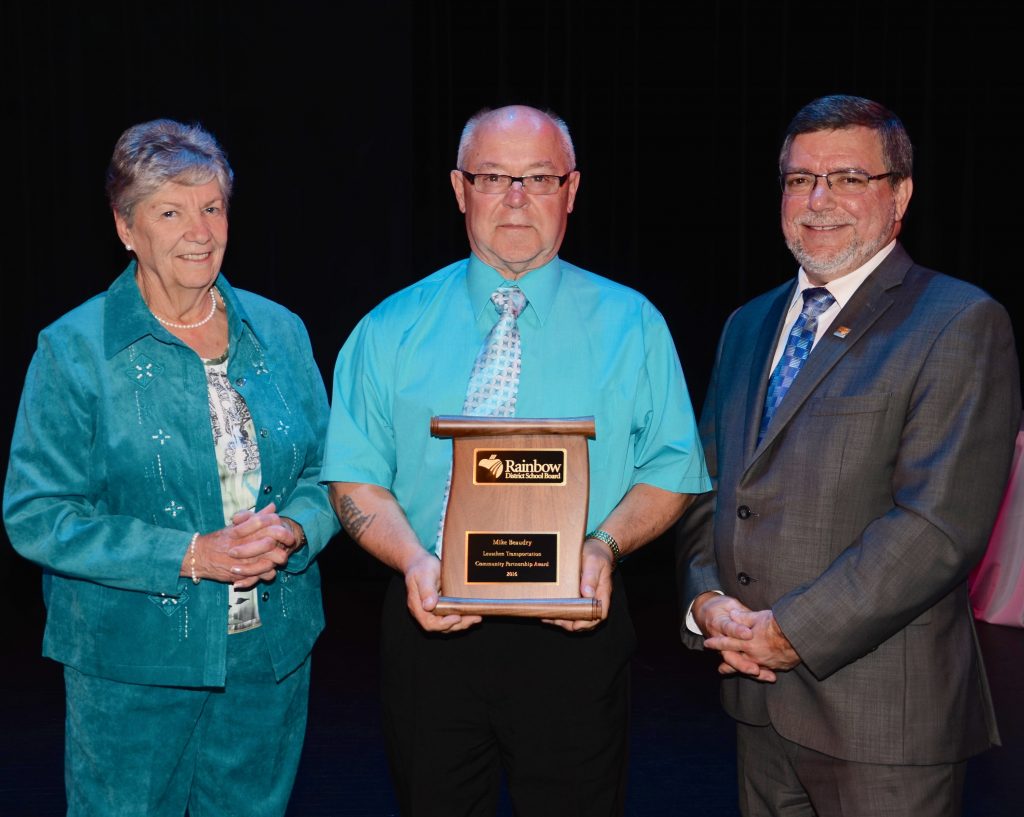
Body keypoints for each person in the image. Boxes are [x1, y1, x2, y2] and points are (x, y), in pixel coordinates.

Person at [323, 104, 710, 816]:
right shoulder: (387, 329)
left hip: (576, 630)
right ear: (458, 188)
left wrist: (602, 547)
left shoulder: (635, 326)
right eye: (493, 176)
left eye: (537, 177)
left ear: (572, 189)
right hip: (428, 622)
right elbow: (353, 476)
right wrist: (412, 560)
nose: (515, 197)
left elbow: (672, 467)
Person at [676, 94, 1021, 816]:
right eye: (800, 179)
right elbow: (709, 488)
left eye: (848, 178)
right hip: (756, 704)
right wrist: (707, 602)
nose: (818, 199)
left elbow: (936, 529)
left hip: (883, 722)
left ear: (900, 195)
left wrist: (789, 633)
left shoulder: (959, 321)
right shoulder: (748, 323)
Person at [3, 119, 339, 816]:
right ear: (126, 228)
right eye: (170, 211)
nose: (200, 230)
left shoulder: (278, 330)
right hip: (132, 667)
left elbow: (330, 471)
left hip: (267, 659)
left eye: (212, 207)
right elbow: (38, 515)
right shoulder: (73, 349)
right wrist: (190, 554)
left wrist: (298, 530)